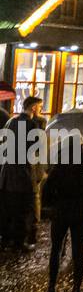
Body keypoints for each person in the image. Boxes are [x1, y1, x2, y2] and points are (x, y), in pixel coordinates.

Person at [42, 132, 83, 292]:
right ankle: (76, 290)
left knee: (56, 249)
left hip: (60, 211)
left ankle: (51, 287)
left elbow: (47, 190)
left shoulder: (59, 166)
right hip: (80, 213)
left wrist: (52, 205)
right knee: (78, 251)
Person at [0, 96, 45, 251]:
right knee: (24, 209)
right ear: (33, 108)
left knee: (8, 208)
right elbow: (36, 149)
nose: (41, 110)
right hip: (23, 174)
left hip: (7, 174)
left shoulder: (11, 122)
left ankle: (6, 240)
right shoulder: (32, 125)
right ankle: (19, 242)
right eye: (40, 107)